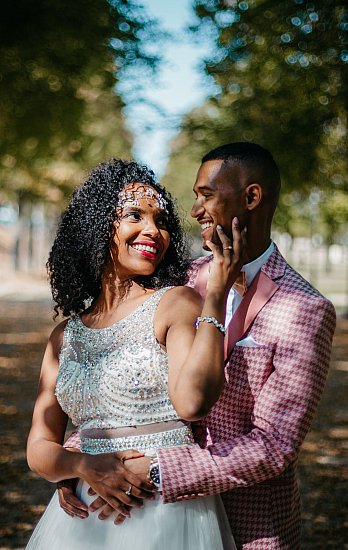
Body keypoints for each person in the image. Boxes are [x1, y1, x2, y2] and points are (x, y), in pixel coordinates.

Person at [58, 142, 337, 549]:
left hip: (248, 525)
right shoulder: (174, 280)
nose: (194, 212)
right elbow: (122, 377)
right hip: (141, 517)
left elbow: (275, 446)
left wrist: (158, 471)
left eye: (206, 195)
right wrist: (81, 462)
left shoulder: (305, 308)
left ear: (251, 197)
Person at [26, 158, 247, 549]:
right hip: (82, 520)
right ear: (96, 229)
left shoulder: (175, 304)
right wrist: (81, 465)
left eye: (161, 221)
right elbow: (39, 448)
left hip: (164, 513)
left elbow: (193, 402)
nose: (153, 230)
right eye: (134, 216)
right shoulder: (64, 336)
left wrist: (214, 295)